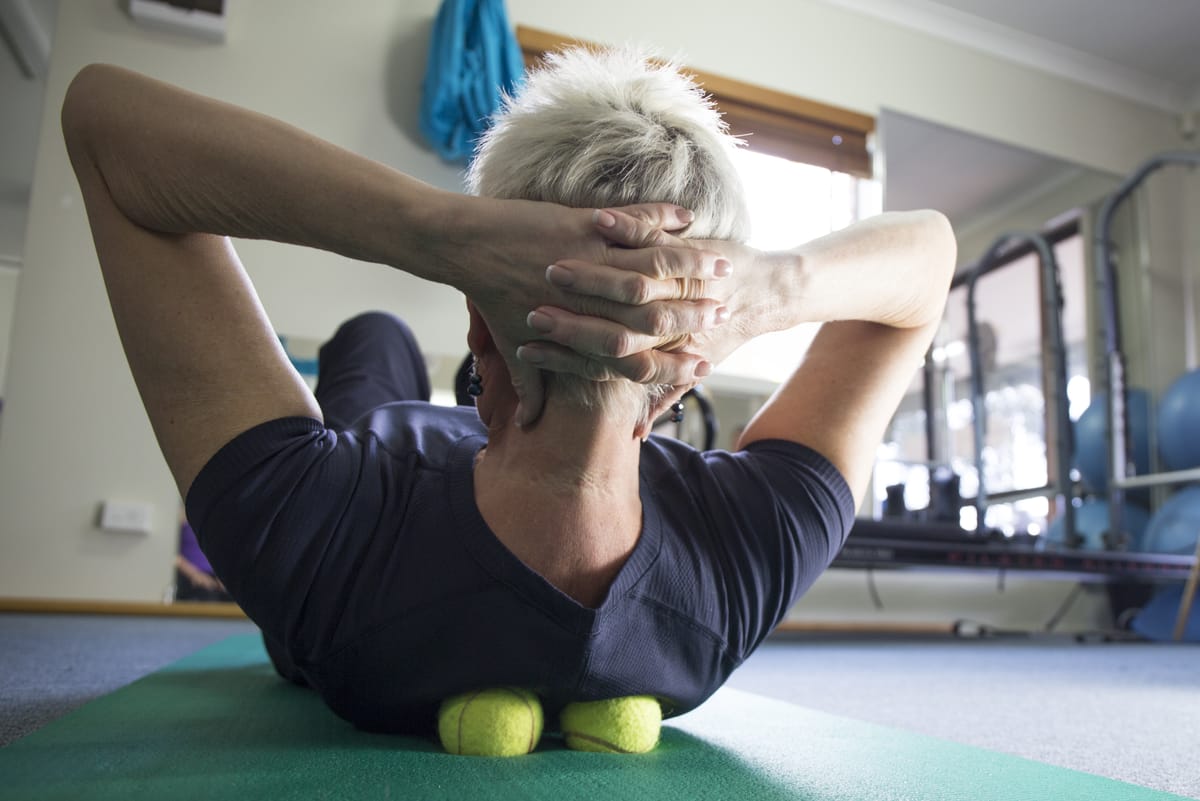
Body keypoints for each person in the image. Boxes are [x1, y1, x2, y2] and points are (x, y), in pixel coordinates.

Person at [61, 49, 955, 734]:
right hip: (435, 456)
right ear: (692, 369)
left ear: (479, 326)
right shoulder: (739, 560)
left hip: (386, 449)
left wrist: (439, 232)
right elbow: (928, 263)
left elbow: (104, 117)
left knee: (373, 336)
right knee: (377, 342)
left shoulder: (312, 526)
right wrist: (770, 290)